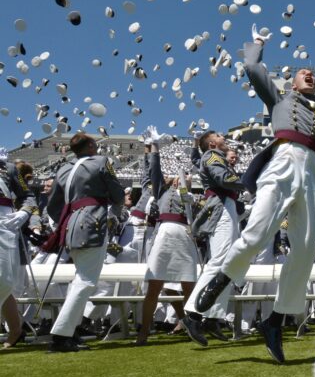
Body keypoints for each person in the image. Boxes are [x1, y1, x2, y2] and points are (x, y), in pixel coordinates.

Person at [193, 28, 315, 364]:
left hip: (312, 173)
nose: (309, 74)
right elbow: (252, 69)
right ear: (293, 84)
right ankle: (223, 280)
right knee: (257, 231)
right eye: (302, 73)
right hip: (283, 160)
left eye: (312, 74)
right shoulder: (280, 100)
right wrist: (259, 45)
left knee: (306, 249)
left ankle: (275, 321)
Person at [45, 133, 125, 352]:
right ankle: (61, 335)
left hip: (71, 225)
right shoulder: (100, 162)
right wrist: (114, 213)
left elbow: (53, 206)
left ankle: (72, 330)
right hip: (92, 224)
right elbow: (117, 193)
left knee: (79, 279)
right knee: (86, 281)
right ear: (91, 146)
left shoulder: (62, 169)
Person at [135, 127, 200, 346]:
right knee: (155, 285)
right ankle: (144, 330)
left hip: (184, 234)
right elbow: (154, 170)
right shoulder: (160, 191)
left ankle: (193, 325)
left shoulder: (192, 198)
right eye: (178, 179)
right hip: (163, 234)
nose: (182, 179)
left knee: (189, 283)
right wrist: (154, 147)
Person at [181, 129, 245, 346]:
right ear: (211, 144)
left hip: (227, 206)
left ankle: (212, 316)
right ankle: (192, 314)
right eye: (218, 136)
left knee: (228, 262)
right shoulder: (212, 156)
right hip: (221, 206)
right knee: (219, 261)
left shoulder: (214, 156)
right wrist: (249, 180)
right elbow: (224, 178)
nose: (223, 137)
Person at [0, 155, 38, 348]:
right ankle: (15, 329)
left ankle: (15, 329)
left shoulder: (8, 168)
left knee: (3, 280)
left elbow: (28, 196)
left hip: (4, 224)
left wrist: (24, 212)